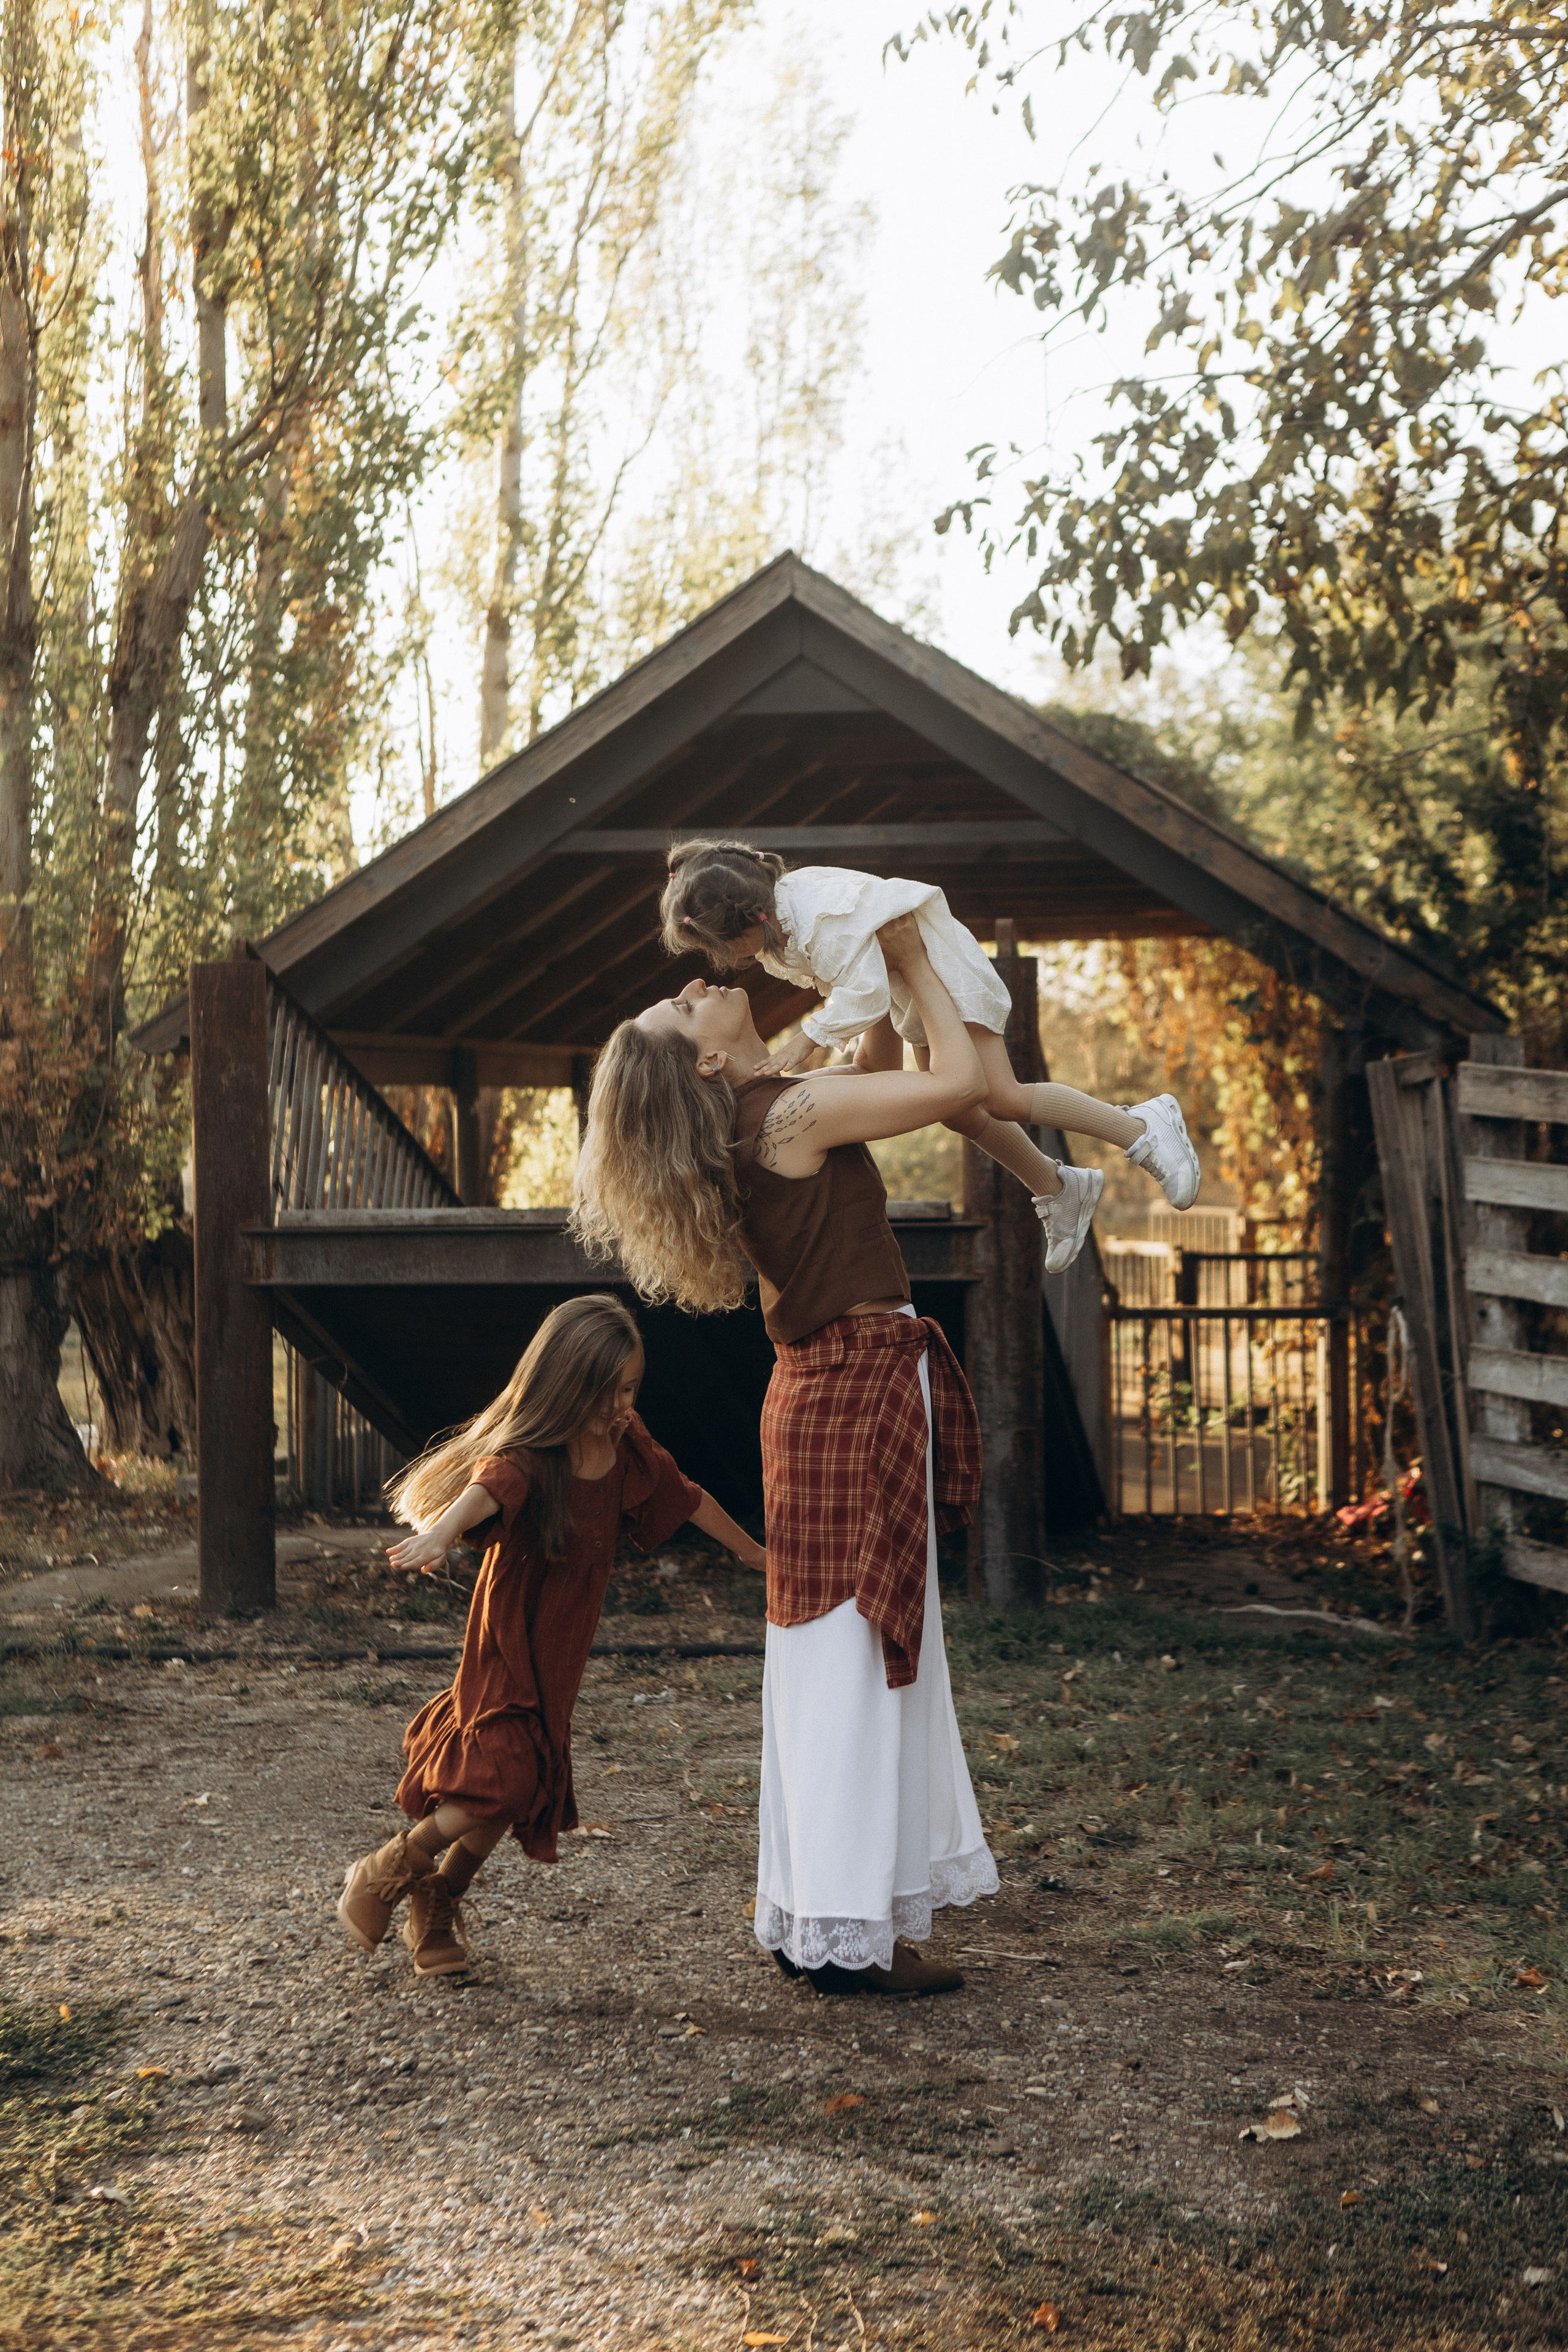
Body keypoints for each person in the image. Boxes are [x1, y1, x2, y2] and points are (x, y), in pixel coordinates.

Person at [573, 914, 1000, 1999]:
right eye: (683, 1006)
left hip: (827, 1388)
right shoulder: (784, 1114)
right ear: (708, 1058)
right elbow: (953, 1087)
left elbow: (885, 1070)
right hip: (851, 1387)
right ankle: (844, 1932)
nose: (696, 985)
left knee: (831, 1661)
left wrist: (882, 978)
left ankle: (820, 1912)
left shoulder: (778, 1106)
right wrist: (903, 952)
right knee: (854, 1658)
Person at [335, 1295, 764, 1978]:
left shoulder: (628, 1447)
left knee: (523, 1784)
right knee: (504, 1775)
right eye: (607, 1393)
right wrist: (441, 1533)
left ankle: (439, 1898)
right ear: (566, 1388)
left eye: (630, 1389)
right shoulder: (538, 1454)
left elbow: (685, 1496)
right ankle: (384, 1873)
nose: (621, 1405)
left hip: (560, 1649)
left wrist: (752, 1555)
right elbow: (489, 1486)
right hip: (508, 1635)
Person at [658, 836, 1201, 1273]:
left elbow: (864, 989)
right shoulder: (782, 918)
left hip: (937, 968)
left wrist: (809, 1040)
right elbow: (858, 984)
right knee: (961, 1111)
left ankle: (1142, 1128)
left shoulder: (816, 918)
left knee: (1002, 1095)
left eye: (719, 949)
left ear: (744, 926)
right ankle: (1059, 1186)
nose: (724, 963)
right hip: (908, 984)